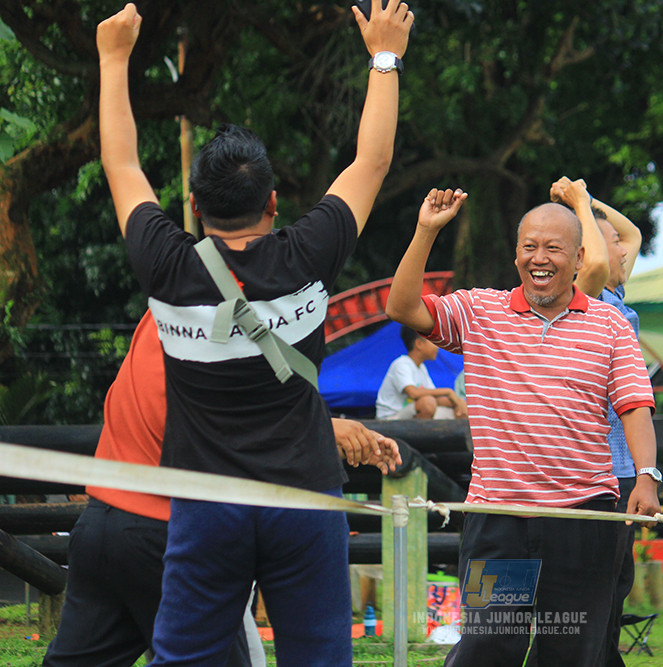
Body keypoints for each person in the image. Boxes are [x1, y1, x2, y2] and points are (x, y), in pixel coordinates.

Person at [96, 2, 411, 664]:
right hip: (304, 498)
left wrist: (114, 58)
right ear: (273, 203)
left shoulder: (167, 264)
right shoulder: (308, 254)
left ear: (194, 208)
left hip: (208, 506)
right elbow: (372, 160)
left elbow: (122, 166)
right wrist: (385, 55)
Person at [385, 188, 661, 667]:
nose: (540, 258)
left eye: (553, 248)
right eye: (530, 246)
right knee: (489, 648)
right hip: (500, 524)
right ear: (516, 255)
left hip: (583, 520)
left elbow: (635, 404)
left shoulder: (610, 324)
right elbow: (403, 307)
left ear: (578, 258)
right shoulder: (480, 312)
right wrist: (427, 231)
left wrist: (646, 476)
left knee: (571, 651)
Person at [43, 312, 400, 667]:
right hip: (162, 533)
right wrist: (319, 429)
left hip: (101, 527)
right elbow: (211, 419)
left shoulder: (163, 312)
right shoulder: (225, 320)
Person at [550, 176, 645, 666]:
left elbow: (633, 237)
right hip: (599, 461)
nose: (622, 253)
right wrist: (580, 208)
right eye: (607, 243)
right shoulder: (589, 300)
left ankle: (605, 654)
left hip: (624, 461)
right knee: (598, 577)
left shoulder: (619, 296)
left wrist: (585, 200)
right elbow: (607, 256)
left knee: (617, 576)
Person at [375, 326, 468, 419]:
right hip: (391, 417)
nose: (438, 347)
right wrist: (448, 391)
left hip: (409, 413)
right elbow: (413, 393)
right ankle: (419, 433)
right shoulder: (401, 364)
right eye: (434, 342)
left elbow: (436, 397)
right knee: (427, 403)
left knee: (459, 409)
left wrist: (458, 403)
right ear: (419, 344)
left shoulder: (421, 367)